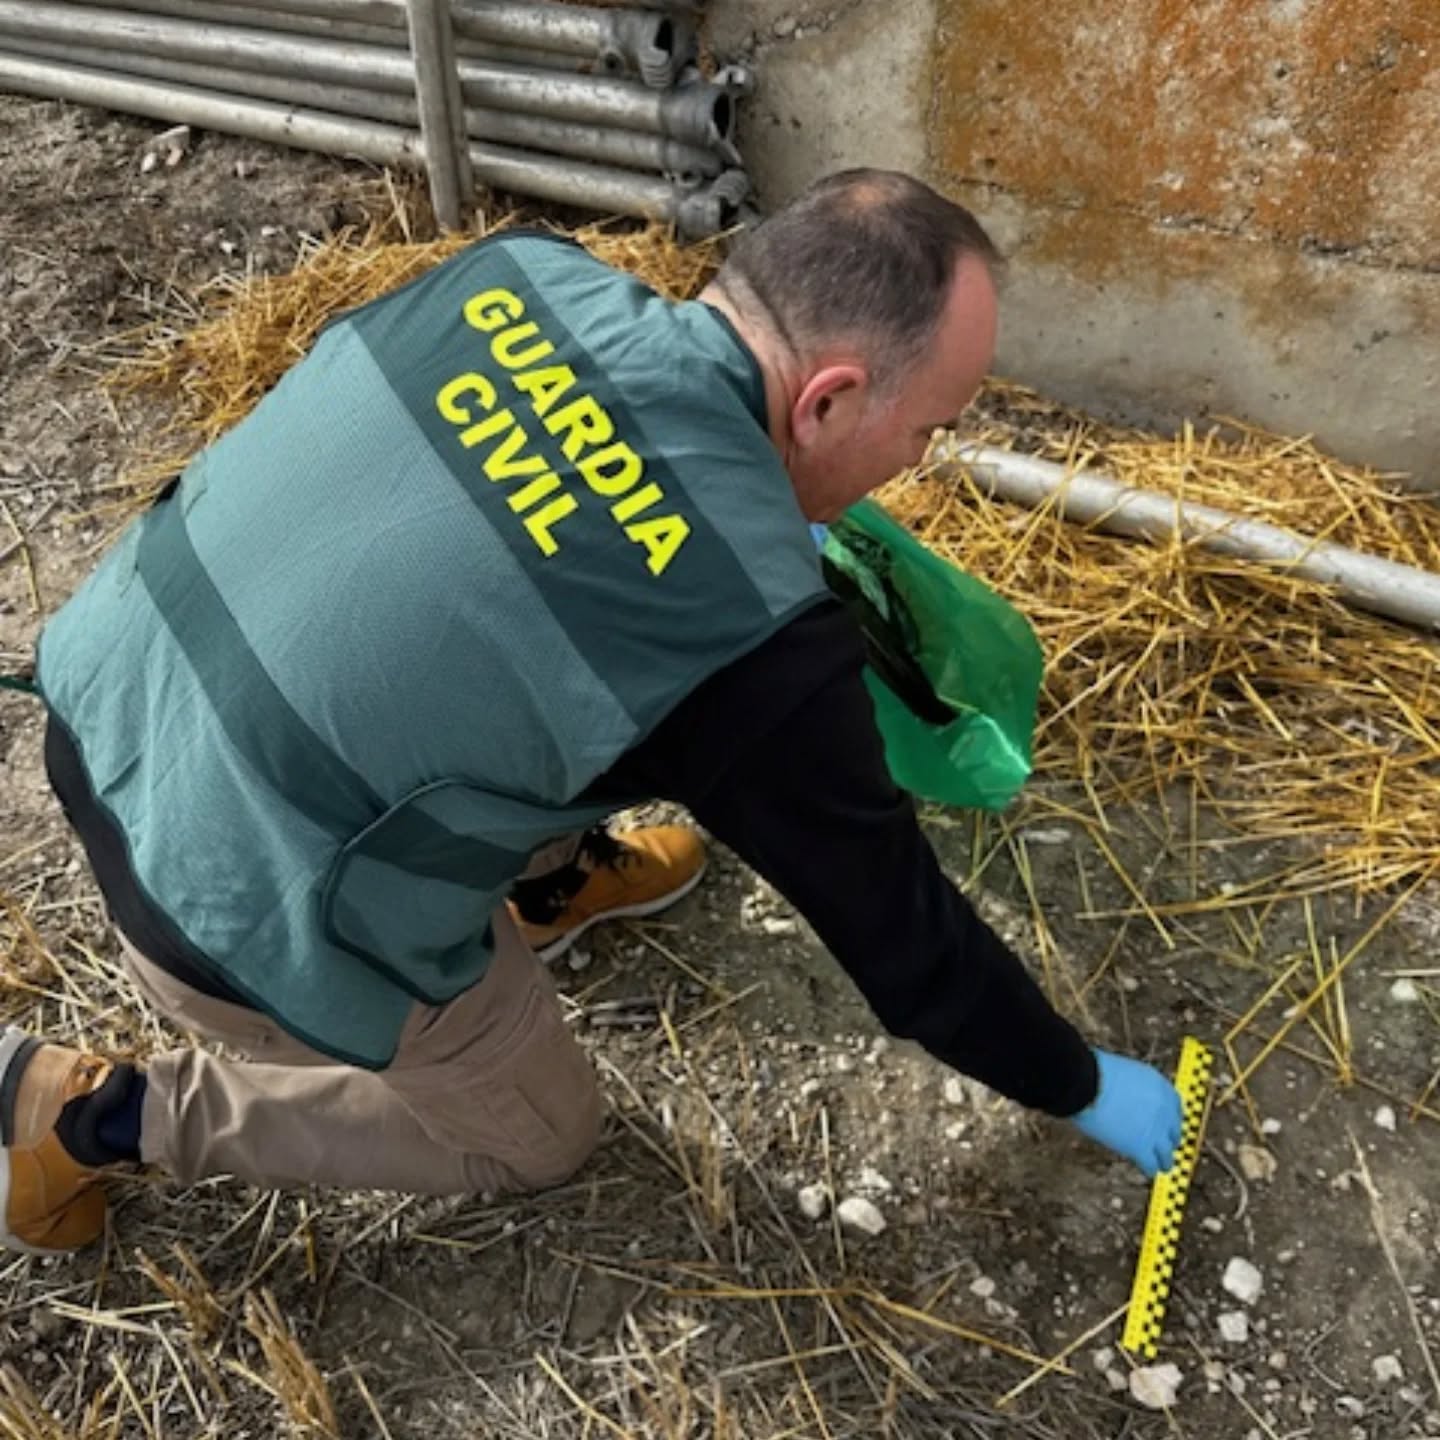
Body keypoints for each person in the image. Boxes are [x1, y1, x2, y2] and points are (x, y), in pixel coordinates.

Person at [2, 170, 1181, 1256]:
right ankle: (93, 1118)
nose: (919, 463)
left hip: (110, 683)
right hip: (220, 900)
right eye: (926, 429)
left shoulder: (517, 272)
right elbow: (911, 949)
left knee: (540, 641)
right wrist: (1078, 1081)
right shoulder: (757, 638)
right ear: (827, 399)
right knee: (537, 1136)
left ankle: (543, 882)